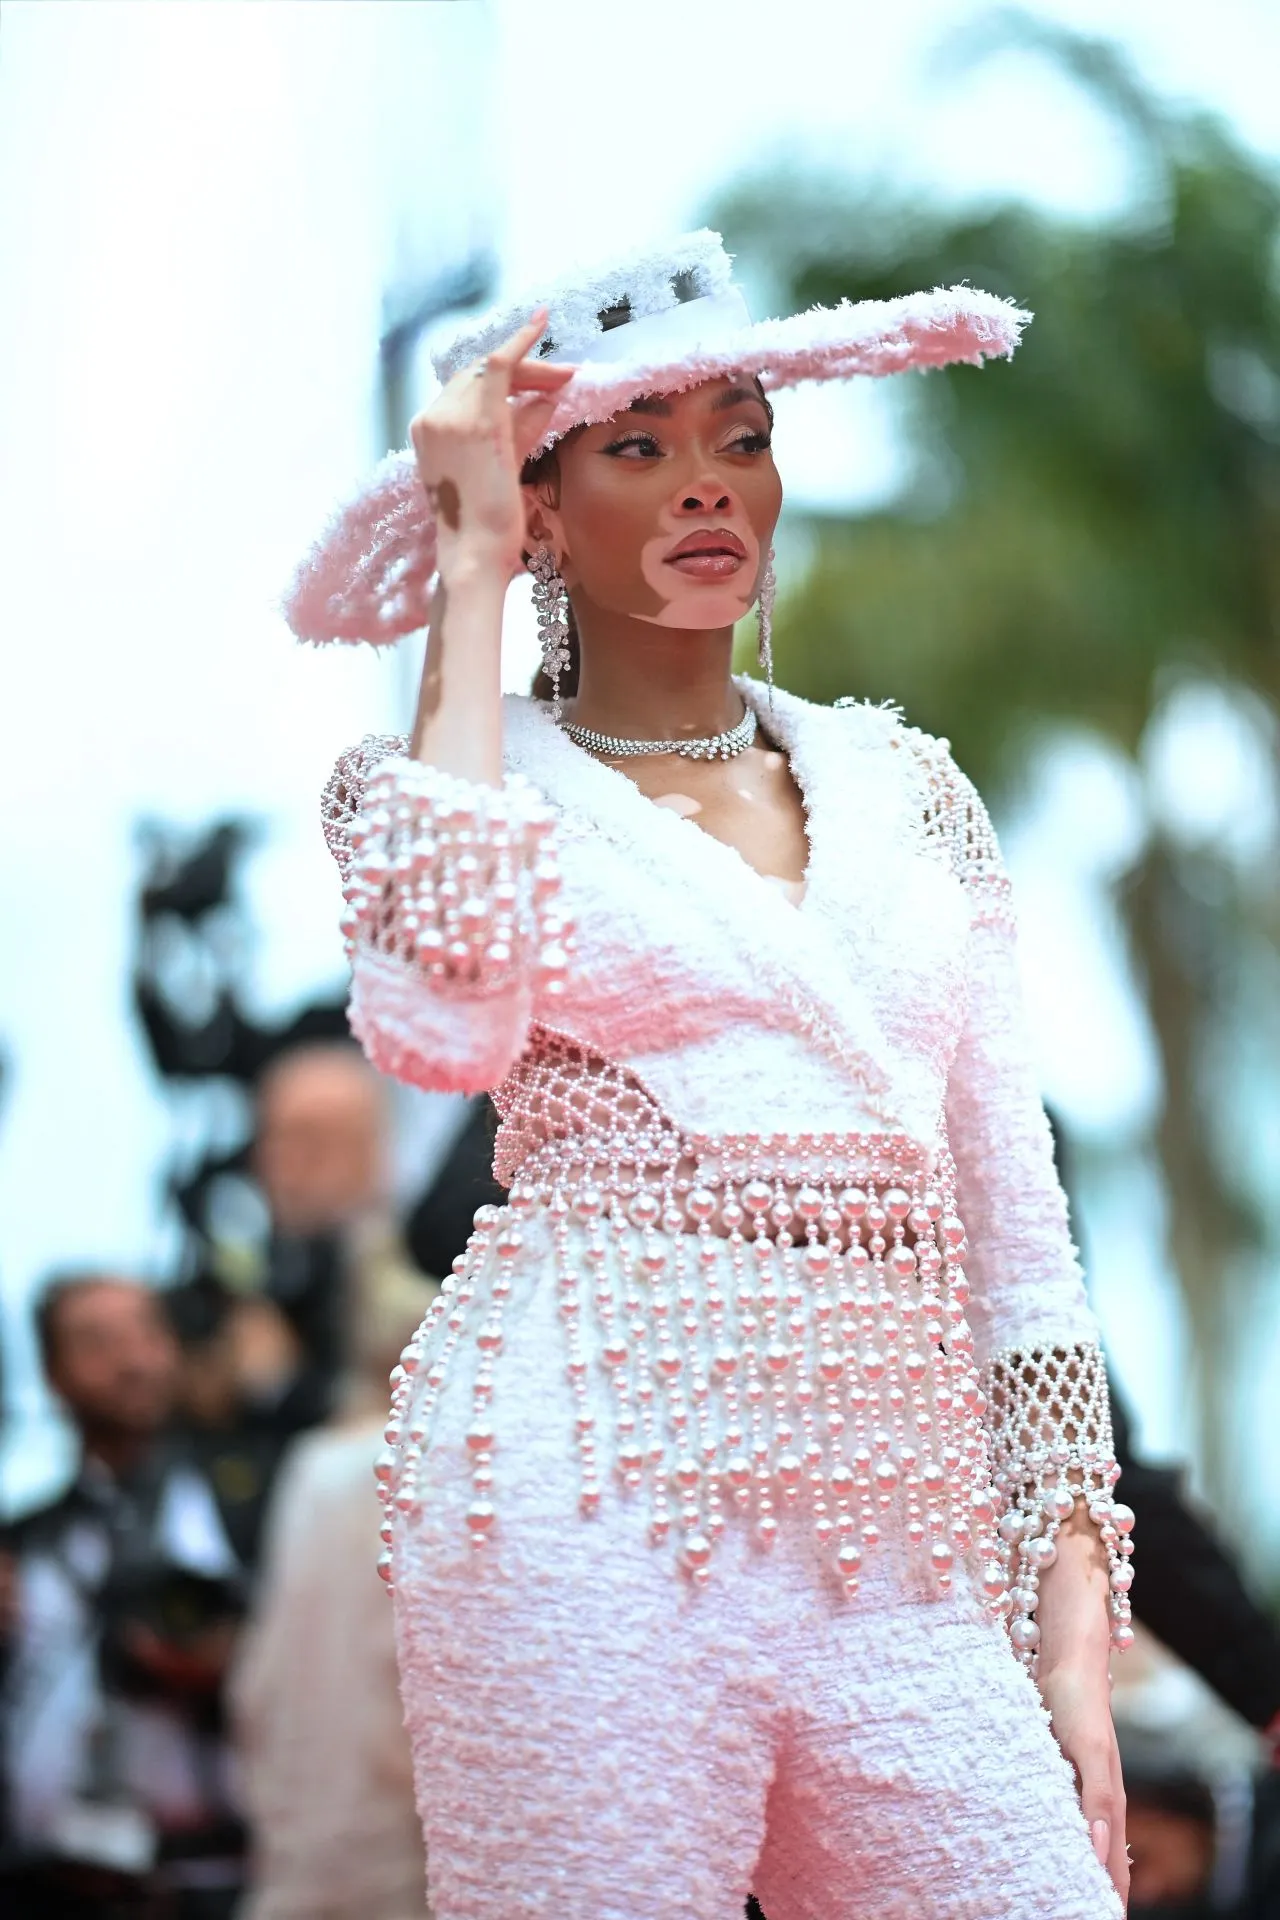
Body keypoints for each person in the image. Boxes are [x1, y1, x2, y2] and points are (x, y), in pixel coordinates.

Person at [285, 231, 1135, 1917]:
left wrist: (1075, 1643)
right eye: (640, 446)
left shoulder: (907, 789)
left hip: (900, 1539)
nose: (709, 487)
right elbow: (439, 1024)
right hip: (581, 1485)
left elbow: (1021, 1241)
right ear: (538, 509)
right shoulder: (435, 781)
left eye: (743, 436)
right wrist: (458, 577)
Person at [0, 1272, 246, 1918]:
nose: (133, 1360)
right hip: (49, 1886)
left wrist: (230, 1669)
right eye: (97, 1342)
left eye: (148, 1331)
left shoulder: (249, 1505)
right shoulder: (22, 1543)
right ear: (52, 1374)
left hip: (220, 1877)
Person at [228, 1250, 437, 1920]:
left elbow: (259, 1680)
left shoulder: (317, 1464)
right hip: (401, 1846)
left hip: (303, 1833)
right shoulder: (426, 1468)